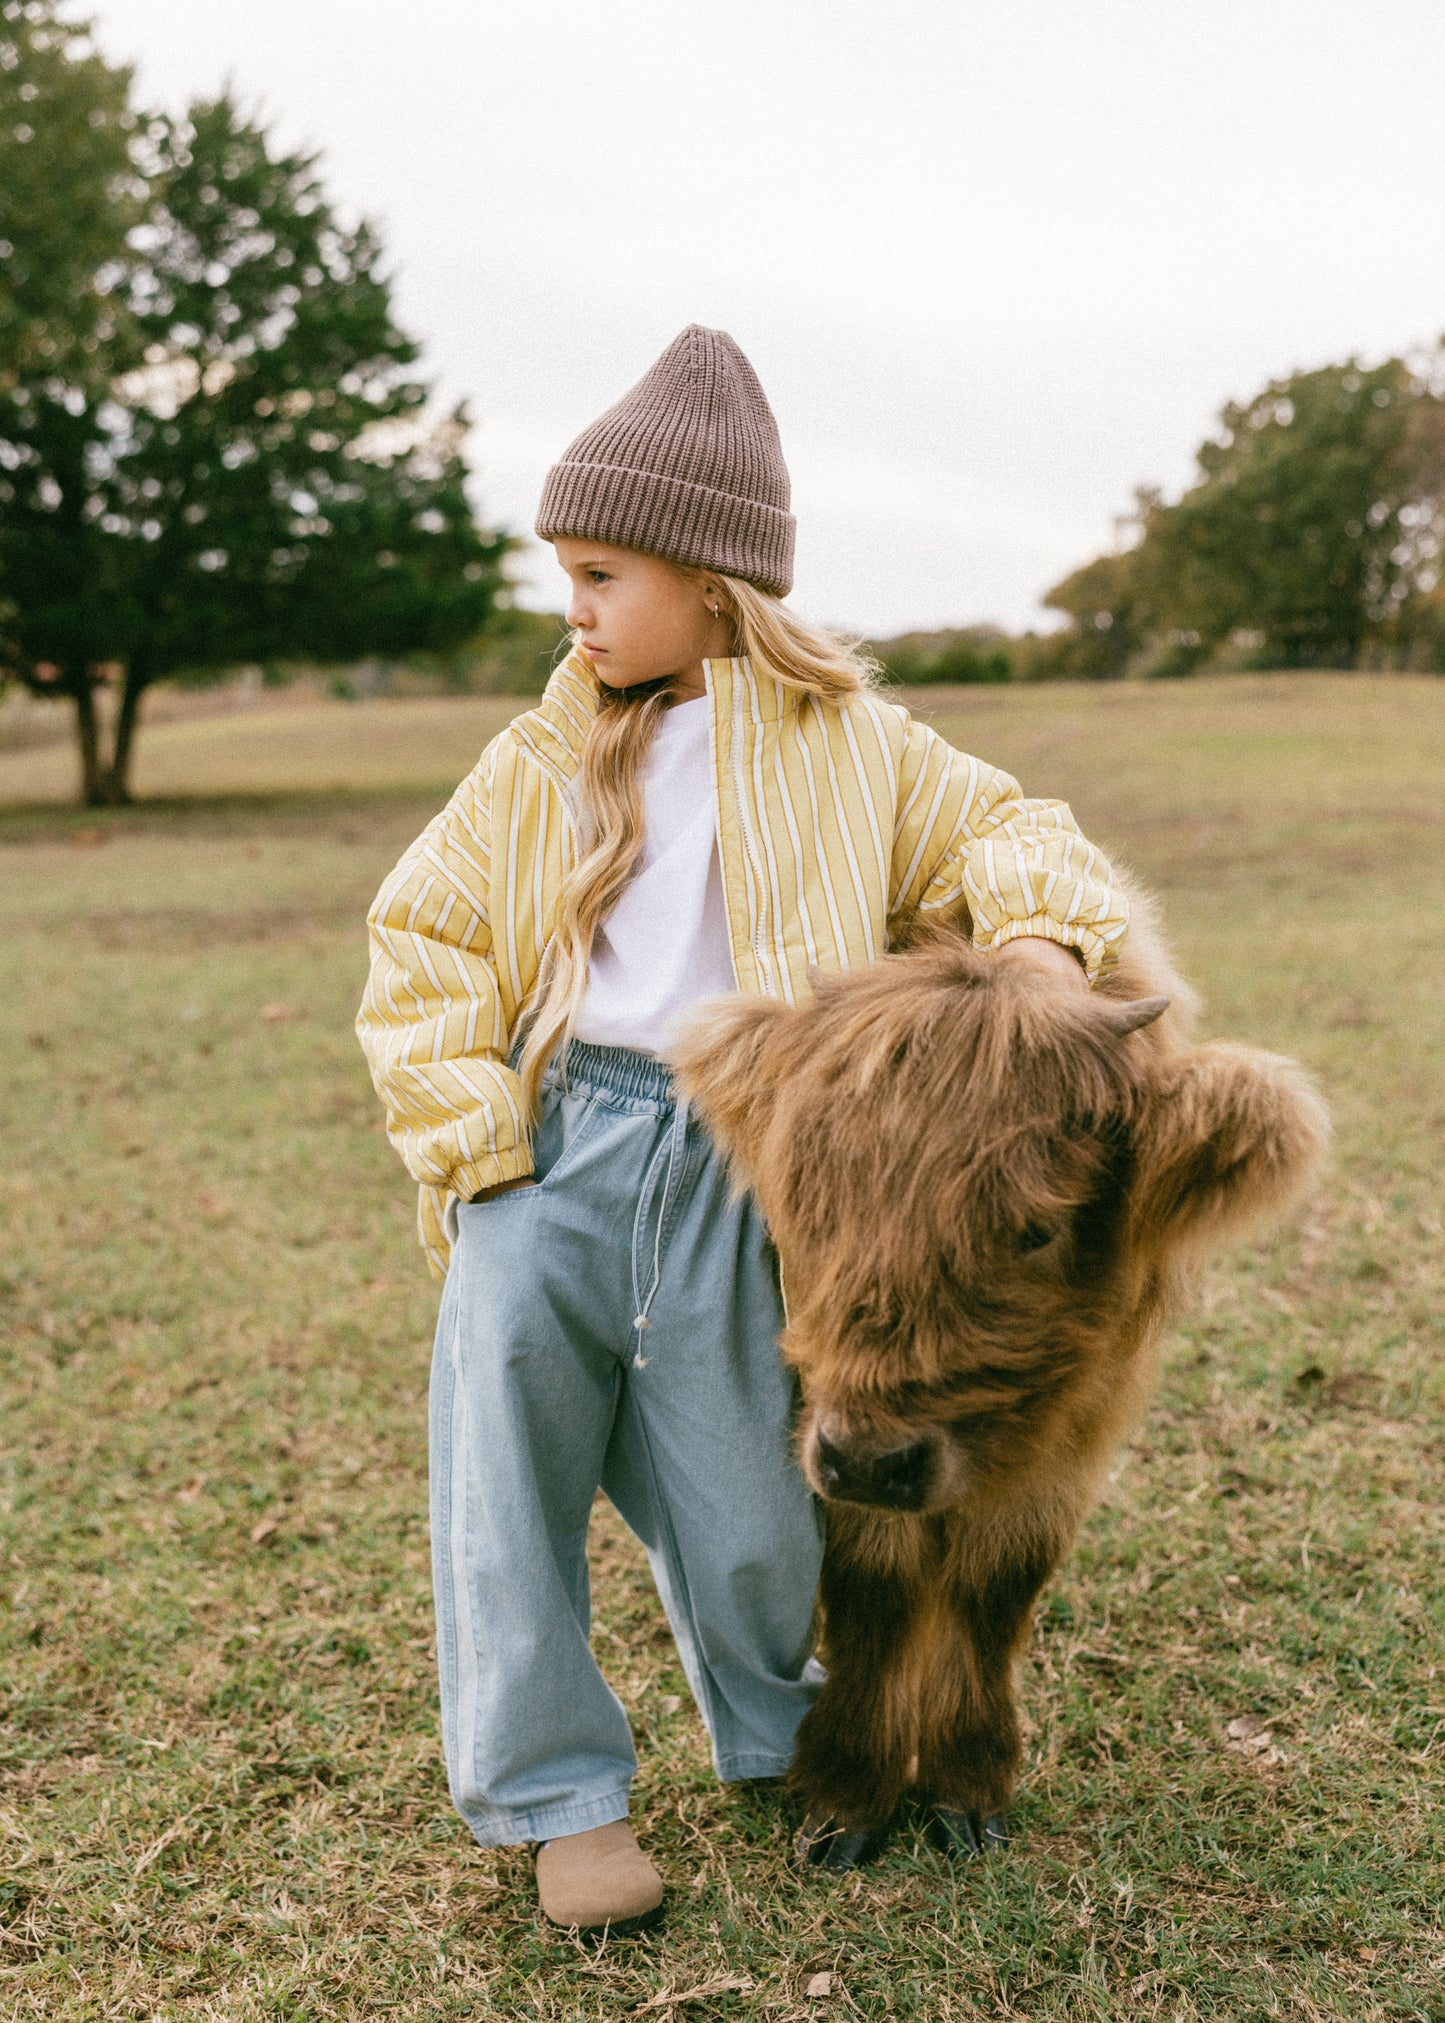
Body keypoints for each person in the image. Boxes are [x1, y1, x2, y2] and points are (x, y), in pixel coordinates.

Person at [356, 326, 1130, 1935]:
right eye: (565, 571)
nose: (570, 606)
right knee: (502, 1479)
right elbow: (420, 932)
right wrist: (476, 1128)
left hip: (757, 1168)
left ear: (712, 577)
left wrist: (1044, 946)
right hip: (552, 1146)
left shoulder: (859, 746)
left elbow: (1013, 827)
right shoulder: (538, 756)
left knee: (758, 1506)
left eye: (597, 570)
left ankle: (776, 1727)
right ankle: (566, 1802)